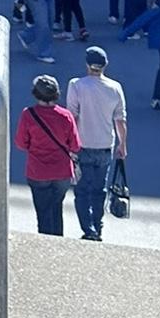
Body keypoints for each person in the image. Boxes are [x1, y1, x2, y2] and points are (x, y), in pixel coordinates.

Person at [66, 47, 127, 242]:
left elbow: (72, 117)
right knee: (99, 190)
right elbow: (120, 120)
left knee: (82, 190)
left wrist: (69, 145)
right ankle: (98, 226)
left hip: (82, 145)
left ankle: (89, 229)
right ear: (105, 65)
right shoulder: (115, 87)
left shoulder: (76, 85)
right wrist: (122, 145)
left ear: (87, 65)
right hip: (105, 146)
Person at [14, 75, 81, 236]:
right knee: (56, 207)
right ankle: (58, 239)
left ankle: (45, 242)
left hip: (38, 172)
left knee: (43, 212)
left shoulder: (28, 115)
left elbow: (21, 144)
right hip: (62, 172)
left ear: (36, 94)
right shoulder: (65, 115)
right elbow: (75, 145)